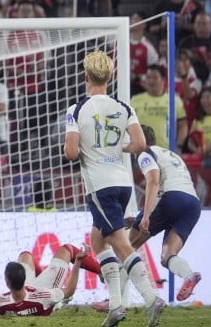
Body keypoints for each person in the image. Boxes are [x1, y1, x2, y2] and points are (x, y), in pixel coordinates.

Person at [64, 50, 165, 327]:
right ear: (109, 77)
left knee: (121, 245)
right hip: (122, 184)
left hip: (100, 186)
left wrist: (78, 147)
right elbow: (141, 144)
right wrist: (117, 148)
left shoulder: (76, 110)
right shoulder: (125, 107)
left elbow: (72, 153)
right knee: (98, 242)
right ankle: (116, 305)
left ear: (86, 77)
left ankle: (150, 297)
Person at [131, 125, 203, 302]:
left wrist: (146, 216)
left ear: (141, 140)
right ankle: (188, 275)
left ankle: (114, 299)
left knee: (126, 245)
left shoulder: (145, 153)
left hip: (171, 197)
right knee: (167, 256)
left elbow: (154, 182)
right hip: (192, 204)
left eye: (132, 139)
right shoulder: (171, 154)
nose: (129, 145)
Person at [0, 243, 90, 317]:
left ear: (7, 283)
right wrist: (77, 263)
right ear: (23, 280)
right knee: (67, 250)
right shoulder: (45, 296)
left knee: (25, 255)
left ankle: (41, 275)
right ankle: (103, 272)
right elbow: (69, 291)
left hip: (26, 293)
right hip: (45, 296)